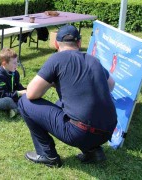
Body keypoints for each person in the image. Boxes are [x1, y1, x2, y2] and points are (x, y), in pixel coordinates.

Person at [18, 25, 117, 167]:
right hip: (108, 131)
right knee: (61, 103)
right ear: (79, 43)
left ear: (56, 43)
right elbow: (111, 85)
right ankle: (93, 150)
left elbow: (32, 93)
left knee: (24, 102)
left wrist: (52, 83)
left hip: (81, 133)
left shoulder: (56, 59)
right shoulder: (93, 60)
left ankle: (48, 155)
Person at [0, 48, 26, 118]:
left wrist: (26, 90)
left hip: (11, 94)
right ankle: (20, 110)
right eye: (14, 63)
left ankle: (16, 109)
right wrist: (19, 93)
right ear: (4, 63)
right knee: (8, 101)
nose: (16, 65)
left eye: (16, 62)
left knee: (25, 96)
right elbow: (3, 94)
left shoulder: (15, 73)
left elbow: (18, 86)